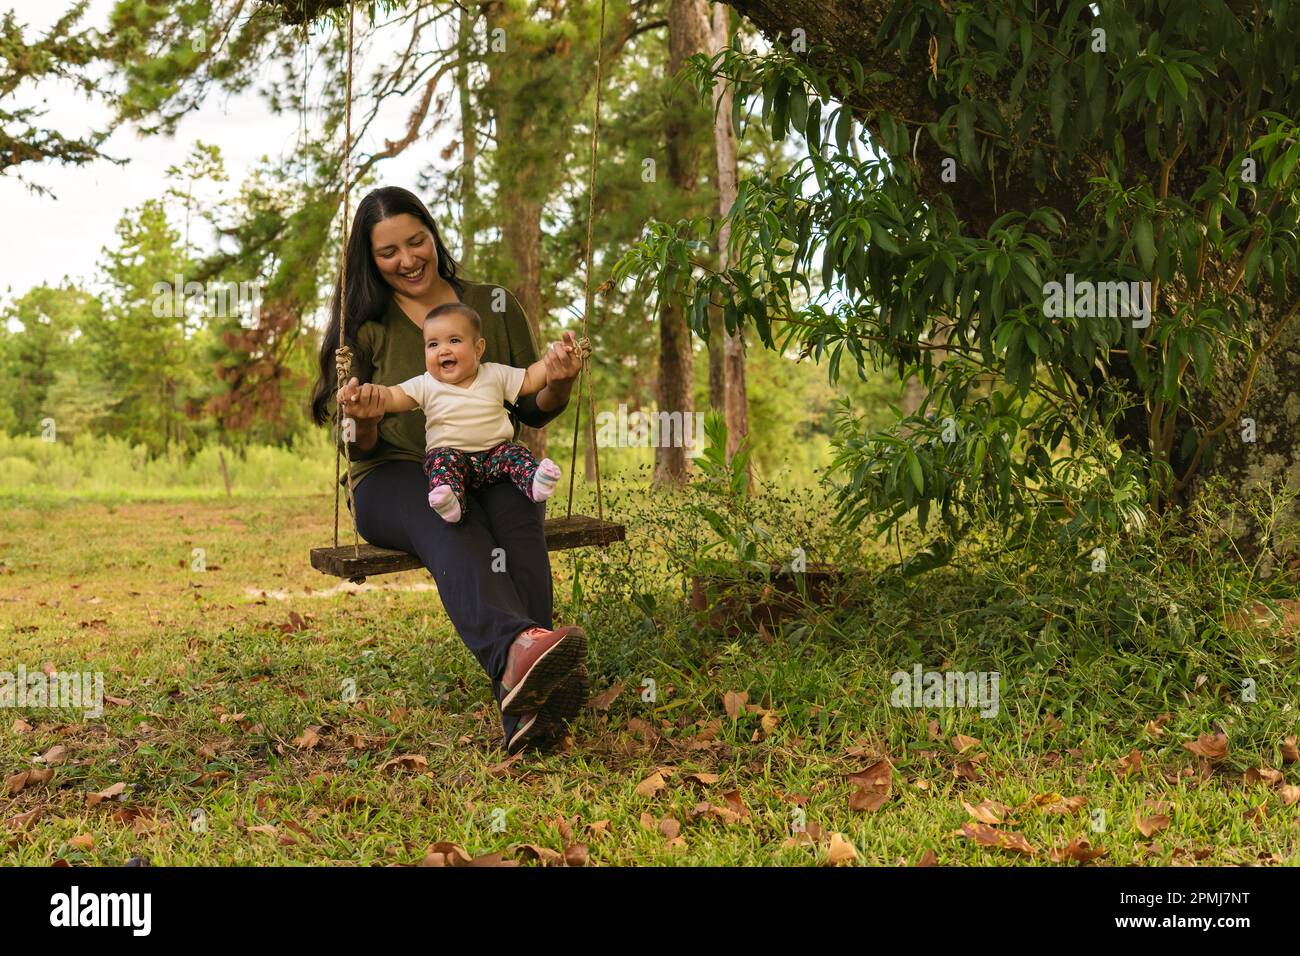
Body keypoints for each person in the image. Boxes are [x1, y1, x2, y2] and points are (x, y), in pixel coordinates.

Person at [309, 186, 589, 755]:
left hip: (488, 461)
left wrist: (558, 378)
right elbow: (360, 449)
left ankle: (526, 703)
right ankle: (521, 651)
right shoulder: (365, 327)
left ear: (434, 235)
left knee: (518, 510)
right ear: (369, 259)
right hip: (395, 477)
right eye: (389, 252)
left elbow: (528, 406)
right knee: (445, 515)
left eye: (417, 241)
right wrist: (361, 418)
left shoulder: (492, 304)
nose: (408, 259)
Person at [348, 301, 566, 525]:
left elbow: (530, 378)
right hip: (453, 456)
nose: (443, 350)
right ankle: (451, 502)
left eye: (454, 340)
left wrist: (556, 359)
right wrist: (365, 394)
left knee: (516, 455)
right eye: (433, 344)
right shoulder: (426, 384)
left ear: (478, 348)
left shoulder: (495, 374)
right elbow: (392, 396)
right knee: (441, 464)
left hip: (496, 454)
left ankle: (534, 482)